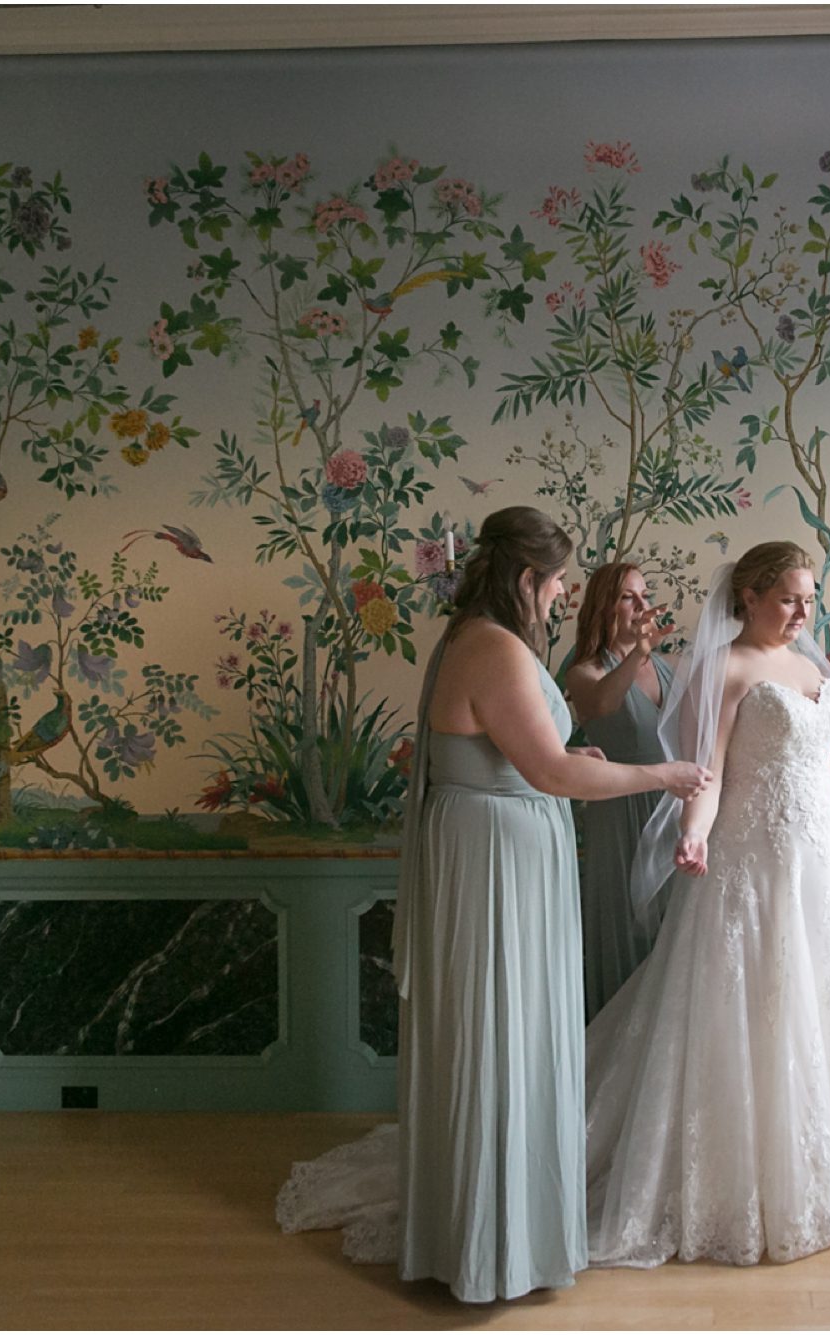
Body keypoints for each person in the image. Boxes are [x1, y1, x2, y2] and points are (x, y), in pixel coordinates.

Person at [275, 506, 711, 1305]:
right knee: (500, 1033)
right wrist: (661, 776)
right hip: (494, 869)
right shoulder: (495, 646)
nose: (560, 596)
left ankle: (495, 1227)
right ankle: (492, 1244)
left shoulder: (475, 638)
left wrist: (562, 756)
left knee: (504, 1032)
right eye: (555, 583)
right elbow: (550, 775)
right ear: (524, 579)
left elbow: (515, 754)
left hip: (498, 849)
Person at [580, 541, 830, 1268]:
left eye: (808, 598)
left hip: (814, 871)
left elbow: (815, 772)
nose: (803, 611)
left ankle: (812, 1185)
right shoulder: (724, 667)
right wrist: (693, 833)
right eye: (788, 599)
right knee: (746, 1011)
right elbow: (707, 774)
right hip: (747, 864)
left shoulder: (809, 668)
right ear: (747, 597)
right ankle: (731, 1193)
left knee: (814, 1008)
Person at [564, 562, 677, 1018]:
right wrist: (635, 654)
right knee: (626, 926)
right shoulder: (583, 671)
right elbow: (601, 704)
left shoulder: (669, 668)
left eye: (645, 595)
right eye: (630, 597)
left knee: (671, 932)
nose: (642, 606)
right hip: (618, 808)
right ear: (605, 605)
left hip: (671, 807)